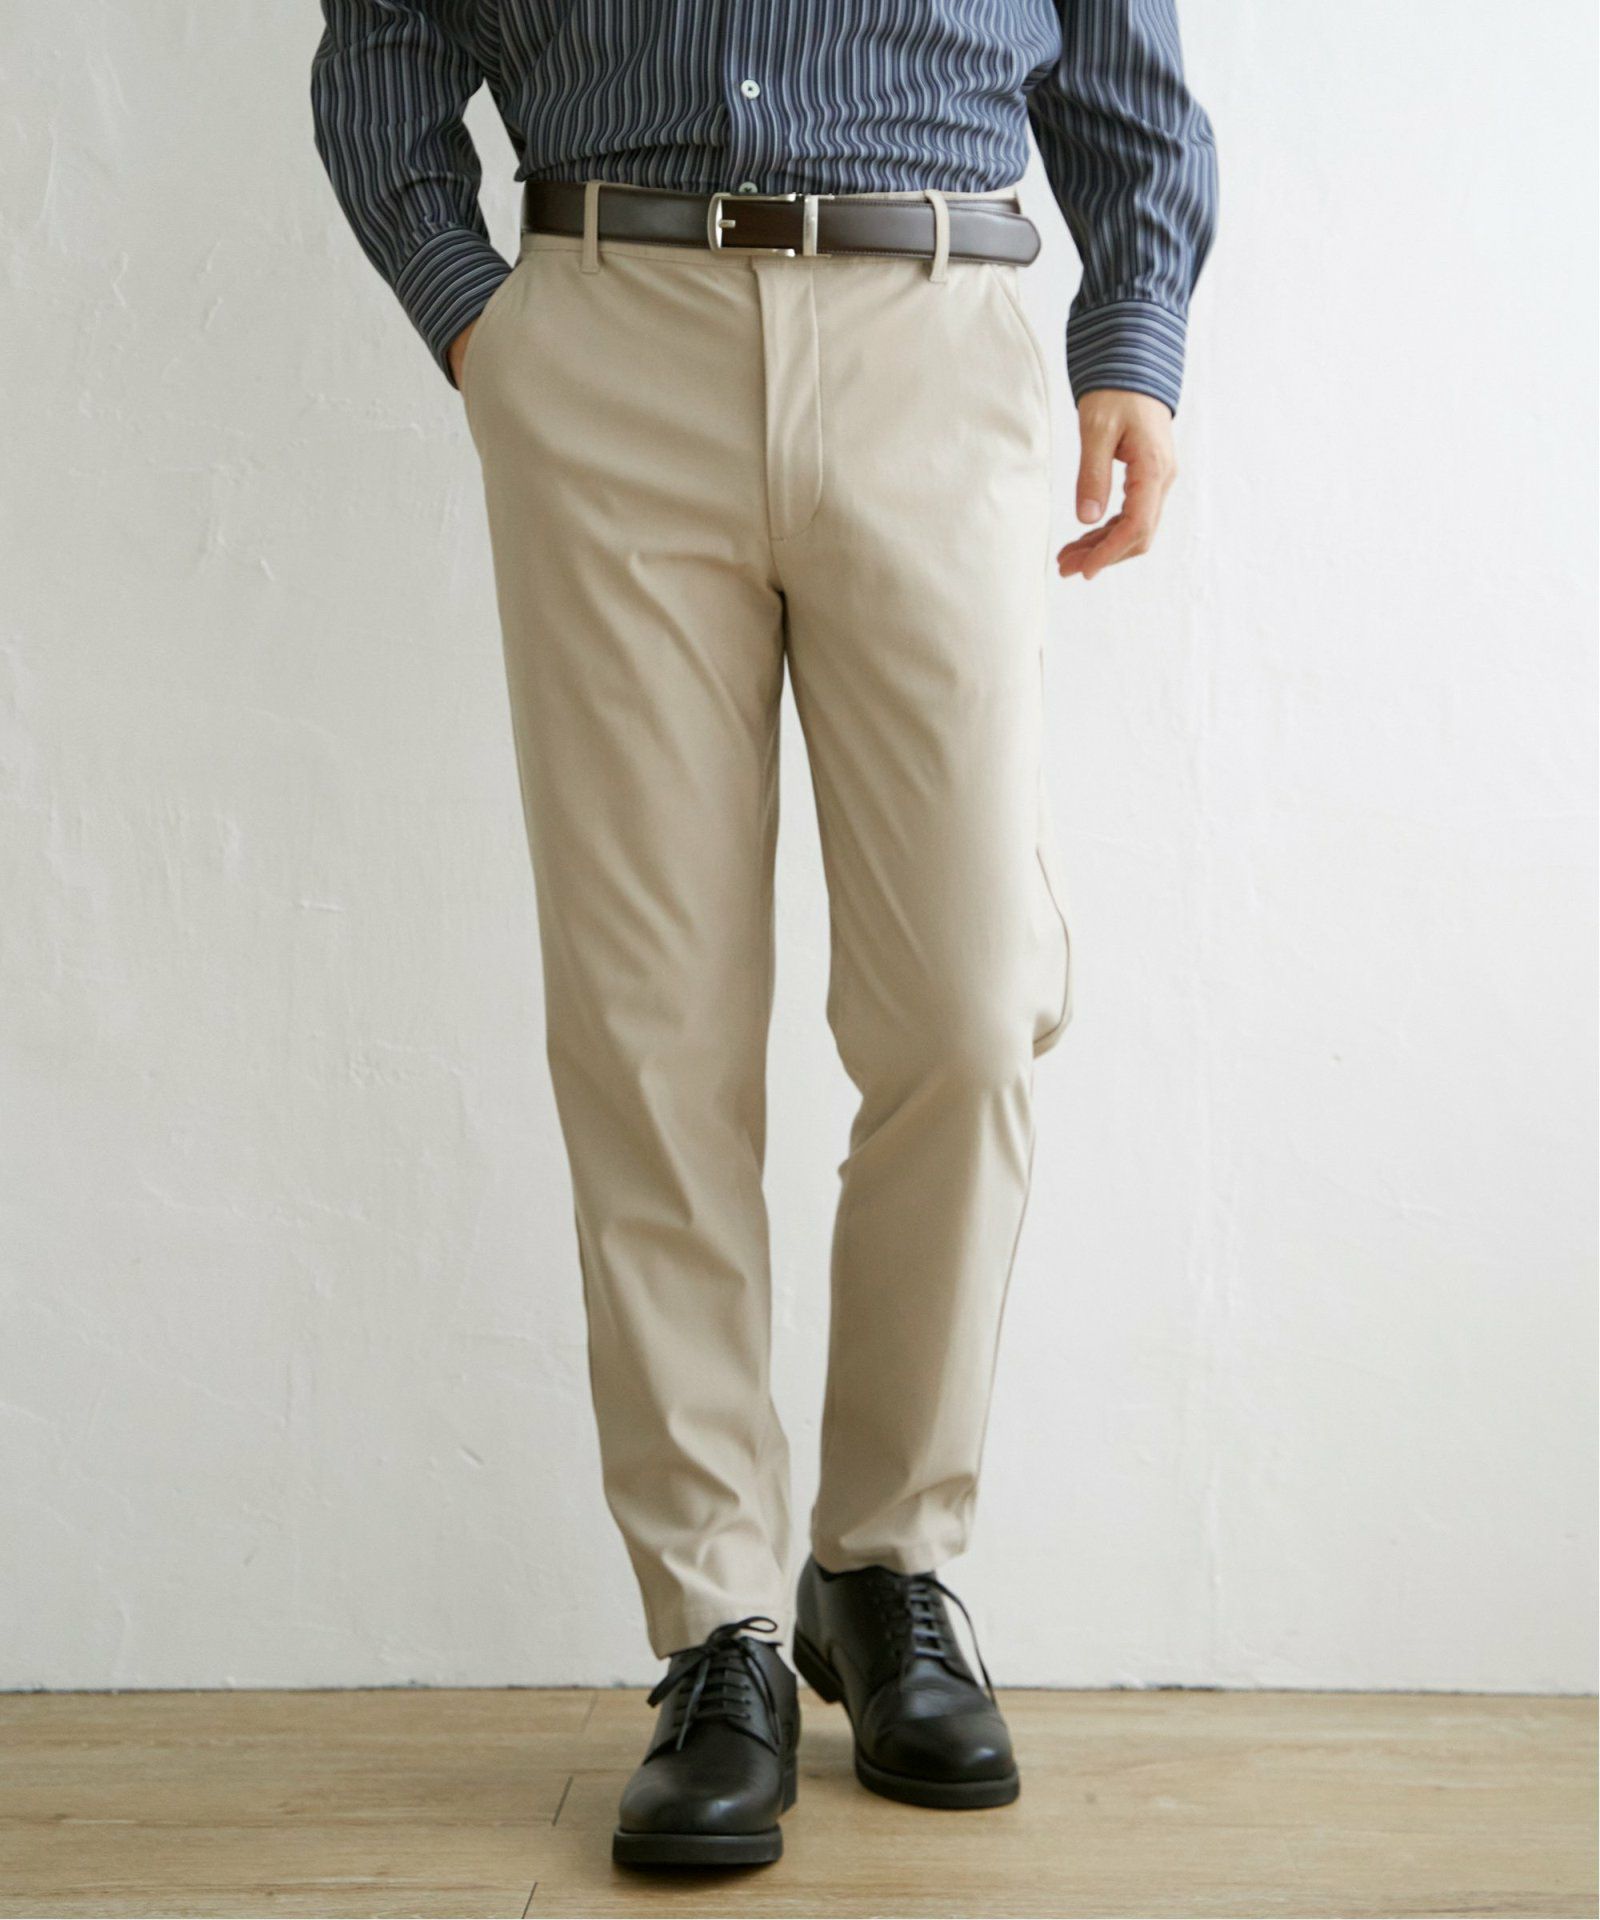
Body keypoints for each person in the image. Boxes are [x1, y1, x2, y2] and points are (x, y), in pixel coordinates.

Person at [311, 0, 1216, 1870]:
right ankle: (715, 1622)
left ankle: (884, 1571)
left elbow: (1121, 48)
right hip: (606, 326)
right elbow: (383, 32)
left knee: (972, 1004)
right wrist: (477, 315)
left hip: (936, 323)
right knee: (650, 1026)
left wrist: (1134, 330)